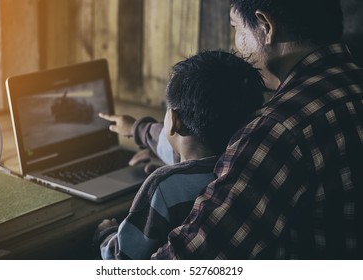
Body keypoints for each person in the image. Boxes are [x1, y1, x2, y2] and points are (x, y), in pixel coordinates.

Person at [150, 0, 363, 259]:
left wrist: (106, 239)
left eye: (235, 28)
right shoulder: (351, 85)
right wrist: (143, 133)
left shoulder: (279, 129)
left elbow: (188, 261)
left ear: (265, 26)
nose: (236, 47)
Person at [94, 50, 266, 259]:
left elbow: (122, 258)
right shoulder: (248, 164)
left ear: (175, 120)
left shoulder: (164, 185)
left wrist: (107, 234)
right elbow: (174, 145)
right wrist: (136, 128)